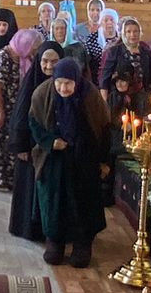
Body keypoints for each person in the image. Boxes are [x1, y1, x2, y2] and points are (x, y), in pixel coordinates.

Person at [29, 58, 110, 268]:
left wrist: (104, 161)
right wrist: (50, 142)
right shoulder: (42, 93)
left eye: (68, 83)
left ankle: (82, 244)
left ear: (76, 81)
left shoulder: (91, 96)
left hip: (84, 159)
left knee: (83, 202)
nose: (63, 88)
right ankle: (55, 242)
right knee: (54, 202)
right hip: (54, 160)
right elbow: (34, 123)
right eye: (59, 83)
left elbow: (103, 128)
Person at [8, 40, 61, 243]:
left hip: (54, 149)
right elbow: (20, 115)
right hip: (31, 147)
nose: (49, 66)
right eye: (45, 61)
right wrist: (21, 145)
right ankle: (28, 228)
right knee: (30, 188)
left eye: (54, 62)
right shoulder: (31, 82)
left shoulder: (64, 83)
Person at [0, 27, 40, 191]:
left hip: (14, 107)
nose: (34, 51)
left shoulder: (24, 57)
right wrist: (0, 113)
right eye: (33, 47)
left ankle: (10, 178)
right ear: (25, 44)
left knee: (9, 142)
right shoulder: (2, 56)